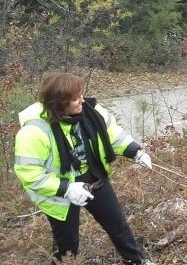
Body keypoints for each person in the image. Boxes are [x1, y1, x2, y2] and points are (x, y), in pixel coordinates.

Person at [14, 73, 154, 264]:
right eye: (74, 98)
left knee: (118, 225)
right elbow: (30, 174)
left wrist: (134, 151)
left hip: (94, 177)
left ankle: (137, 261)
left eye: (80, 94)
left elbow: (113, 134)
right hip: (59, 190)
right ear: (59, 103)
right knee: (67, 244)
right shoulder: (34, 131)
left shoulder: (91, 111)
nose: (81, 100)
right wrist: (67, 188)